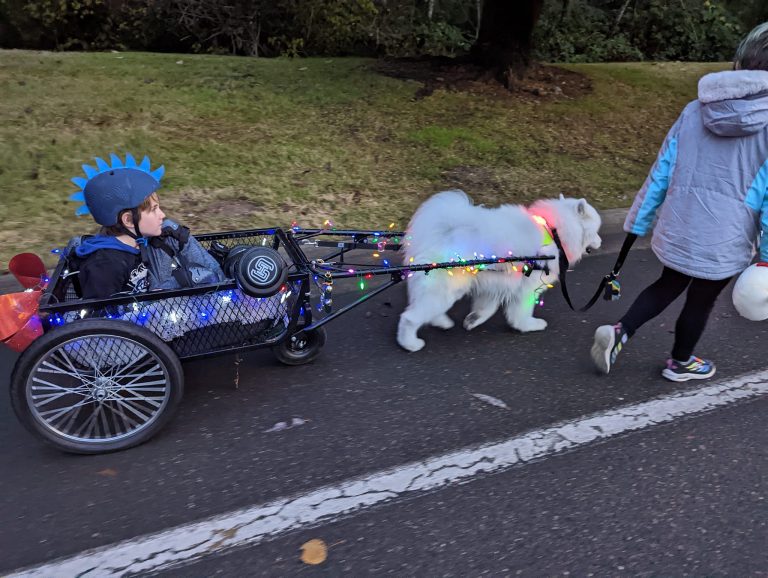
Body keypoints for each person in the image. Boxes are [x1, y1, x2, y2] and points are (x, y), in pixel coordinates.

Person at [590, 22, 768, 383]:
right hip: (724, 238)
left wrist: (638, 222)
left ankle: (620, 331)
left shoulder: (694, 109)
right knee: (700, 301)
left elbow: (662, 171)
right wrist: (766, 257)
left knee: (668, 284)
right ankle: (680, 362)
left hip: (680, 223)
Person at [70, 153, 226, 299]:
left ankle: (224, 282)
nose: (162, 214)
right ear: (129, 220)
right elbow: (100, 322)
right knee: (192, 276)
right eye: (154, 209)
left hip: (147, 297)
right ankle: (222, 290)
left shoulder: (135, 242)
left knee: (169, 230)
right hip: (138, 321)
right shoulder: (105, 266)